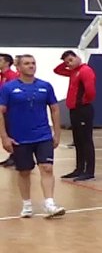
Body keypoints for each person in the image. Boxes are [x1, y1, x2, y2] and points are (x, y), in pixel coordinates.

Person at [0, 55, 65, 218]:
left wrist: (56, 133)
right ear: (18, 67)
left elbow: (55, 109)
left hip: (42, 135)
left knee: (47, 168)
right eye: (27, 64)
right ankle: (27, 204)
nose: (31, 66)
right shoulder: (8, 88)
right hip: (19, 137)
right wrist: (4, 137)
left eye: (33, 63)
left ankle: (49, 203)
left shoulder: (45, 86)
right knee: (24, 171)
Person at [54, 50, 96, 181]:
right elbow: (57, 70)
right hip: (74, 110)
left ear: (78, 57)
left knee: (86, 141)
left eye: (71, 60)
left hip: (83, 109)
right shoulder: (73, 71)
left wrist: (82, 102)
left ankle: (89, 171)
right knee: (78, 141)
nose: (69, 64)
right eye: (67, 62)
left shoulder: (85, 70)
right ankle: (79, 168)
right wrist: (66, 63)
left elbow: (91, 91)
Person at [0, 53, 14, 168]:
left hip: (10, 110)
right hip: (4, 110)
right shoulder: (3, 76)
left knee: (12, 132)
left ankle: (16, 157)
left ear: (7, 63)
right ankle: (12, 157)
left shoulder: (11, 76)